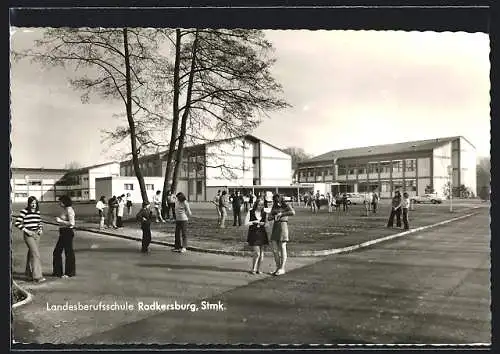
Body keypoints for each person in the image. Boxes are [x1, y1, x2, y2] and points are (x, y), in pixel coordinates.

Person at [14, 196, 45, 283]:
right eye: (32, 203)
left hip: (36, 235)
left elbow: (39, 222)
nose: (33, 205)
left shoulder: (37, 212)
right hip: (28, 235)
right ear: (29, 203)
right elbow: (17, 223)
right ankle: (37, 277)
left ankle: (28, 274)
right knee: (36, 254)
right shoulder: (24, 211)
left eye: (35, 203)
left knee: (31, 254)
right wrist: (26, 230)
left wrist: (40, 229)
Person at [268, 194, 295, 276]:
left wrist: (281, 214)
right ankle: (278, 267)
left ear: (281, 199)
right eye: (275, 200)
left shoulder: (286, 205)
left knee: (282, 247)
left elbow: (293, 212)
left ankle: (282, 268)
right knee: (275, 249)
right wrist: (274, 216)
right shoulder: (274, 206)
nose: (276, 201)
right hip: (276, 227)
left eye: (277, 199)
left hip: (283, 226)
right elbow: (269, 217)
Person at [53, 195, 76, 278]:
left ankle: (69, 273)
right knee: (57, 252)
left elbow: (72, 223)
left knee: (68, 252)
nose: (59, 203)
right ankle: (57, 272)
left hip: (67, 232)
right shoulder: (65, 210)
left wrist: (60, 221)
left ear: (64, 202)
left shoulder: (69, 210)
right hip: (63, 232)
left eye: (60, 201)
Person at [245, 199, 269, 274]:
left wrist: (264, 224)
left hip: (262, 234)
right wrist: (253, 222)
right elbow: (246, 223)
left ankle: (259, 269)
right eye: (259, 205)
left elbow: (267, 224)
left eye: (262, 205)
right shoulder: (251, 211)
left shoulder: (264, 213)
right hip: (253, 234)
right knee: (257, 253)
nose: (260, 206)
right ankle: (253, 268)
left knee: (261, 254)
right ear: (256, 204)